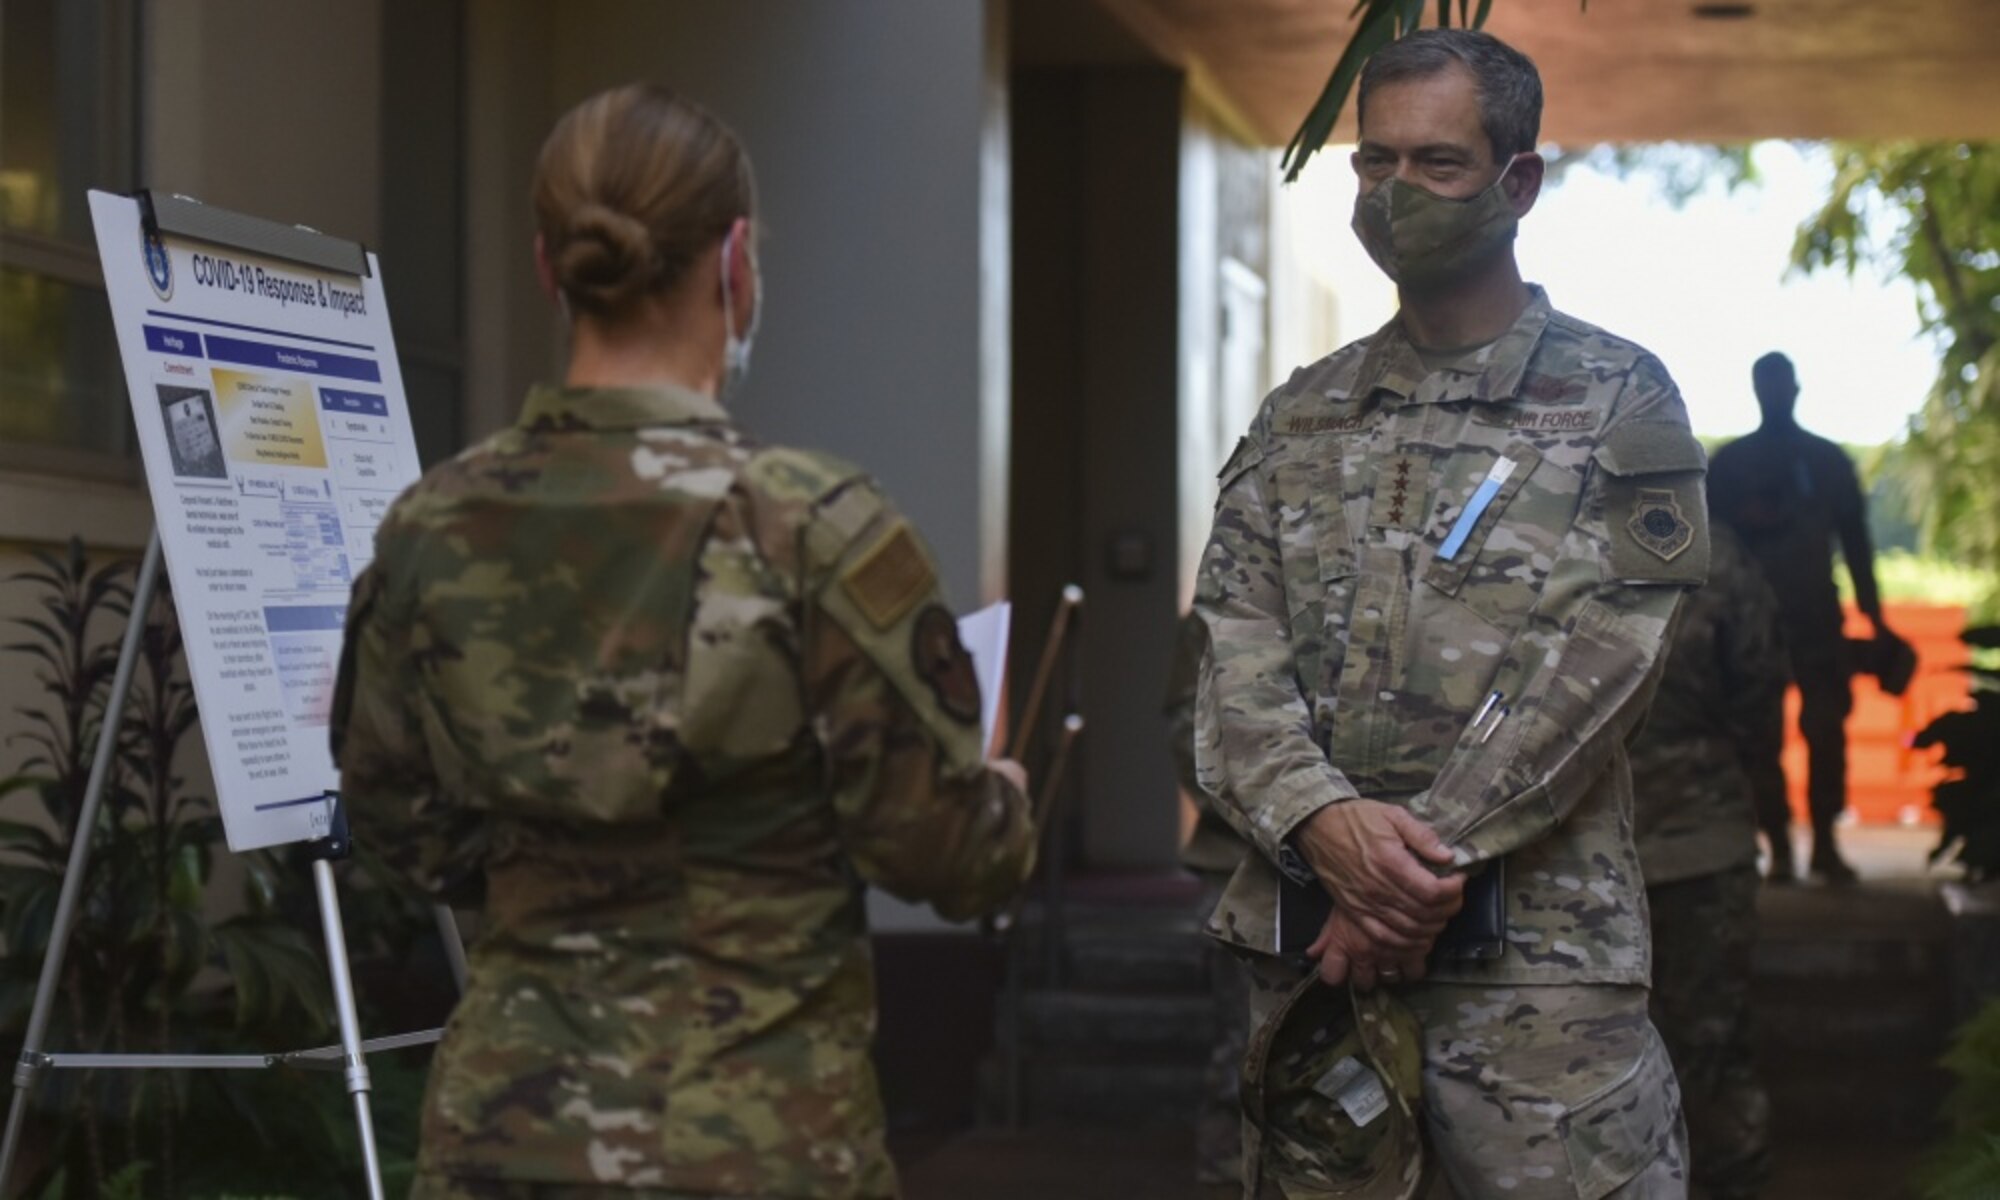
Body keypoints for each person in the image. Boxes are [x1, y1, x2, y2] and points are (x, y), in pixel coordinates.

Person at [329, 83, 1037, 1199]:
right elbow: (942, 856)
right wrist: (999, 792)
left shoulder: (431, 525)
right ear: (736, 264)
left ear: (547, 267)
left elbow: (397, 822)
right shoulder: (812, 525)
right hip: (756, 1136)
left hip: (502, 1137)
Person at [1193, 29, 1704, 1199]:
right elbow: (1232, 652)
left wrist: (1403, 880)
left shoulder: (1618, 394)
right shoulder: (1300, 415)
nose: (1393, 194)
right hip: (1314, 975)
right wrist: (1321, 821)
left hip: (1535, 989)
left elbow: (1602, 660)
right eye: (1373, 164)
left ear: (1516, 182)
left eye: (1436, 165)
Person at [1631, 525, 1785, 1199]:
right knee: (1714, 1051)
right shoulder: (1718, 556)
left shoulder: (1548, 531)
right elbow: (1760, 686)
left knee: (1582, 1054)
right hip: (1701, 836)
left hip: (1574, 856)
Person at [1708, 351, 1895, 884]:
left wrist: (1876, 620)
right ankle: (1781, 848)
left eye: (1779, 386)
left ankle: (1825, 843)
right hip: (1749, 627)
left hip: (1816, 623)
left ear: (1794, 389)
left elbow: (1857, 546)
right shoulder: (1731, 466)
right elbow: (1701, 546)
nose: (1774, 395)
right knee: (1757, 740)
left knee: (1826, 734)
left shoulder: (1827, 462)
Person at [1163, 611, 1250, 1188]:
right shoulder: (1222, 606)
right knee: (1243, 1043)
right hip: (1240, 860)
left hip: (1363, 860)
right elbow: (1184, 726)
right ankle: (1226, 1173)